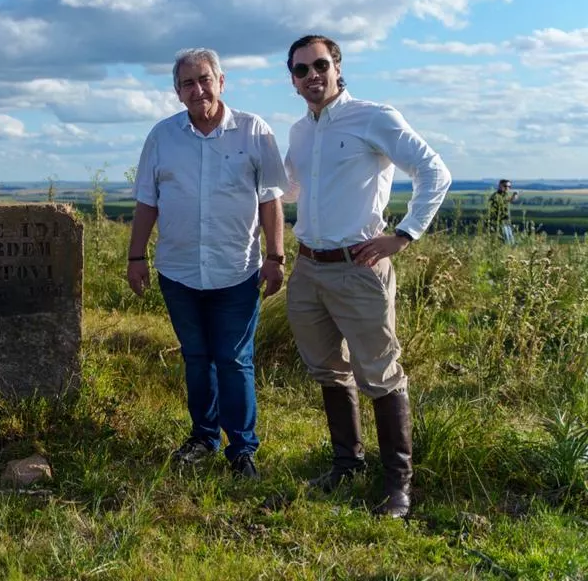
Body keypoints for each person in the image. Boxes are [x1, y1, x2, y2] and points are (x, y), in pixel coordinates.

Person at [282, 34, 451, 518]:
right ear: (292, 81)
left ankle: (398, 486)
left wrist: (404, 234)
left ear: (337, 67)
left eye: (320, 65)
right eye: (301, 69)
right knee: (327, 368)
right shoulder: (300, 131)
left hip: (358, 268)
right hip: (308, 268)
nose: (312, 75)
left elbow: (434, 171)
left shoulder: (374, 117)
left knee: (380, 372)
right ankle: (346, 465)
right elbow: (289, 189)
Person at [127, 48, 287, 479]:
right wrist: (136, 256)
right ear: (177, 92)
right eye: (187, 83)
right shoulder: (162, 136)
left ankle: (242, 448)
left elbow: (271, 200)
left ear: (221, 81)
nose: (197, 90)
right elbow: (147, 201)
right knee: (197, 358)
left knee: (234, 360)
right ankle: (203, 437)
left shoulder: (253, 131)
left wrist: (276, 256)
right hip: (178, 271)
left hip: (237, 270)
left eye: (204, 80)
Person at [487, 179, 519, 245]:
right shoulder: (495, 196)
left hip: (506, 221)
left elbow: (508, 200)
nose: (507, 188)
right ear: (500, 186)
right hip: (499, 221)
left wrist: (514, 196)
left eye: (509, 187)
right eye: (505, 186)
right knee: (506, 240)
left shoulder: (505, 194)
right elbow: (493, 209)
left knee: (510, 239)